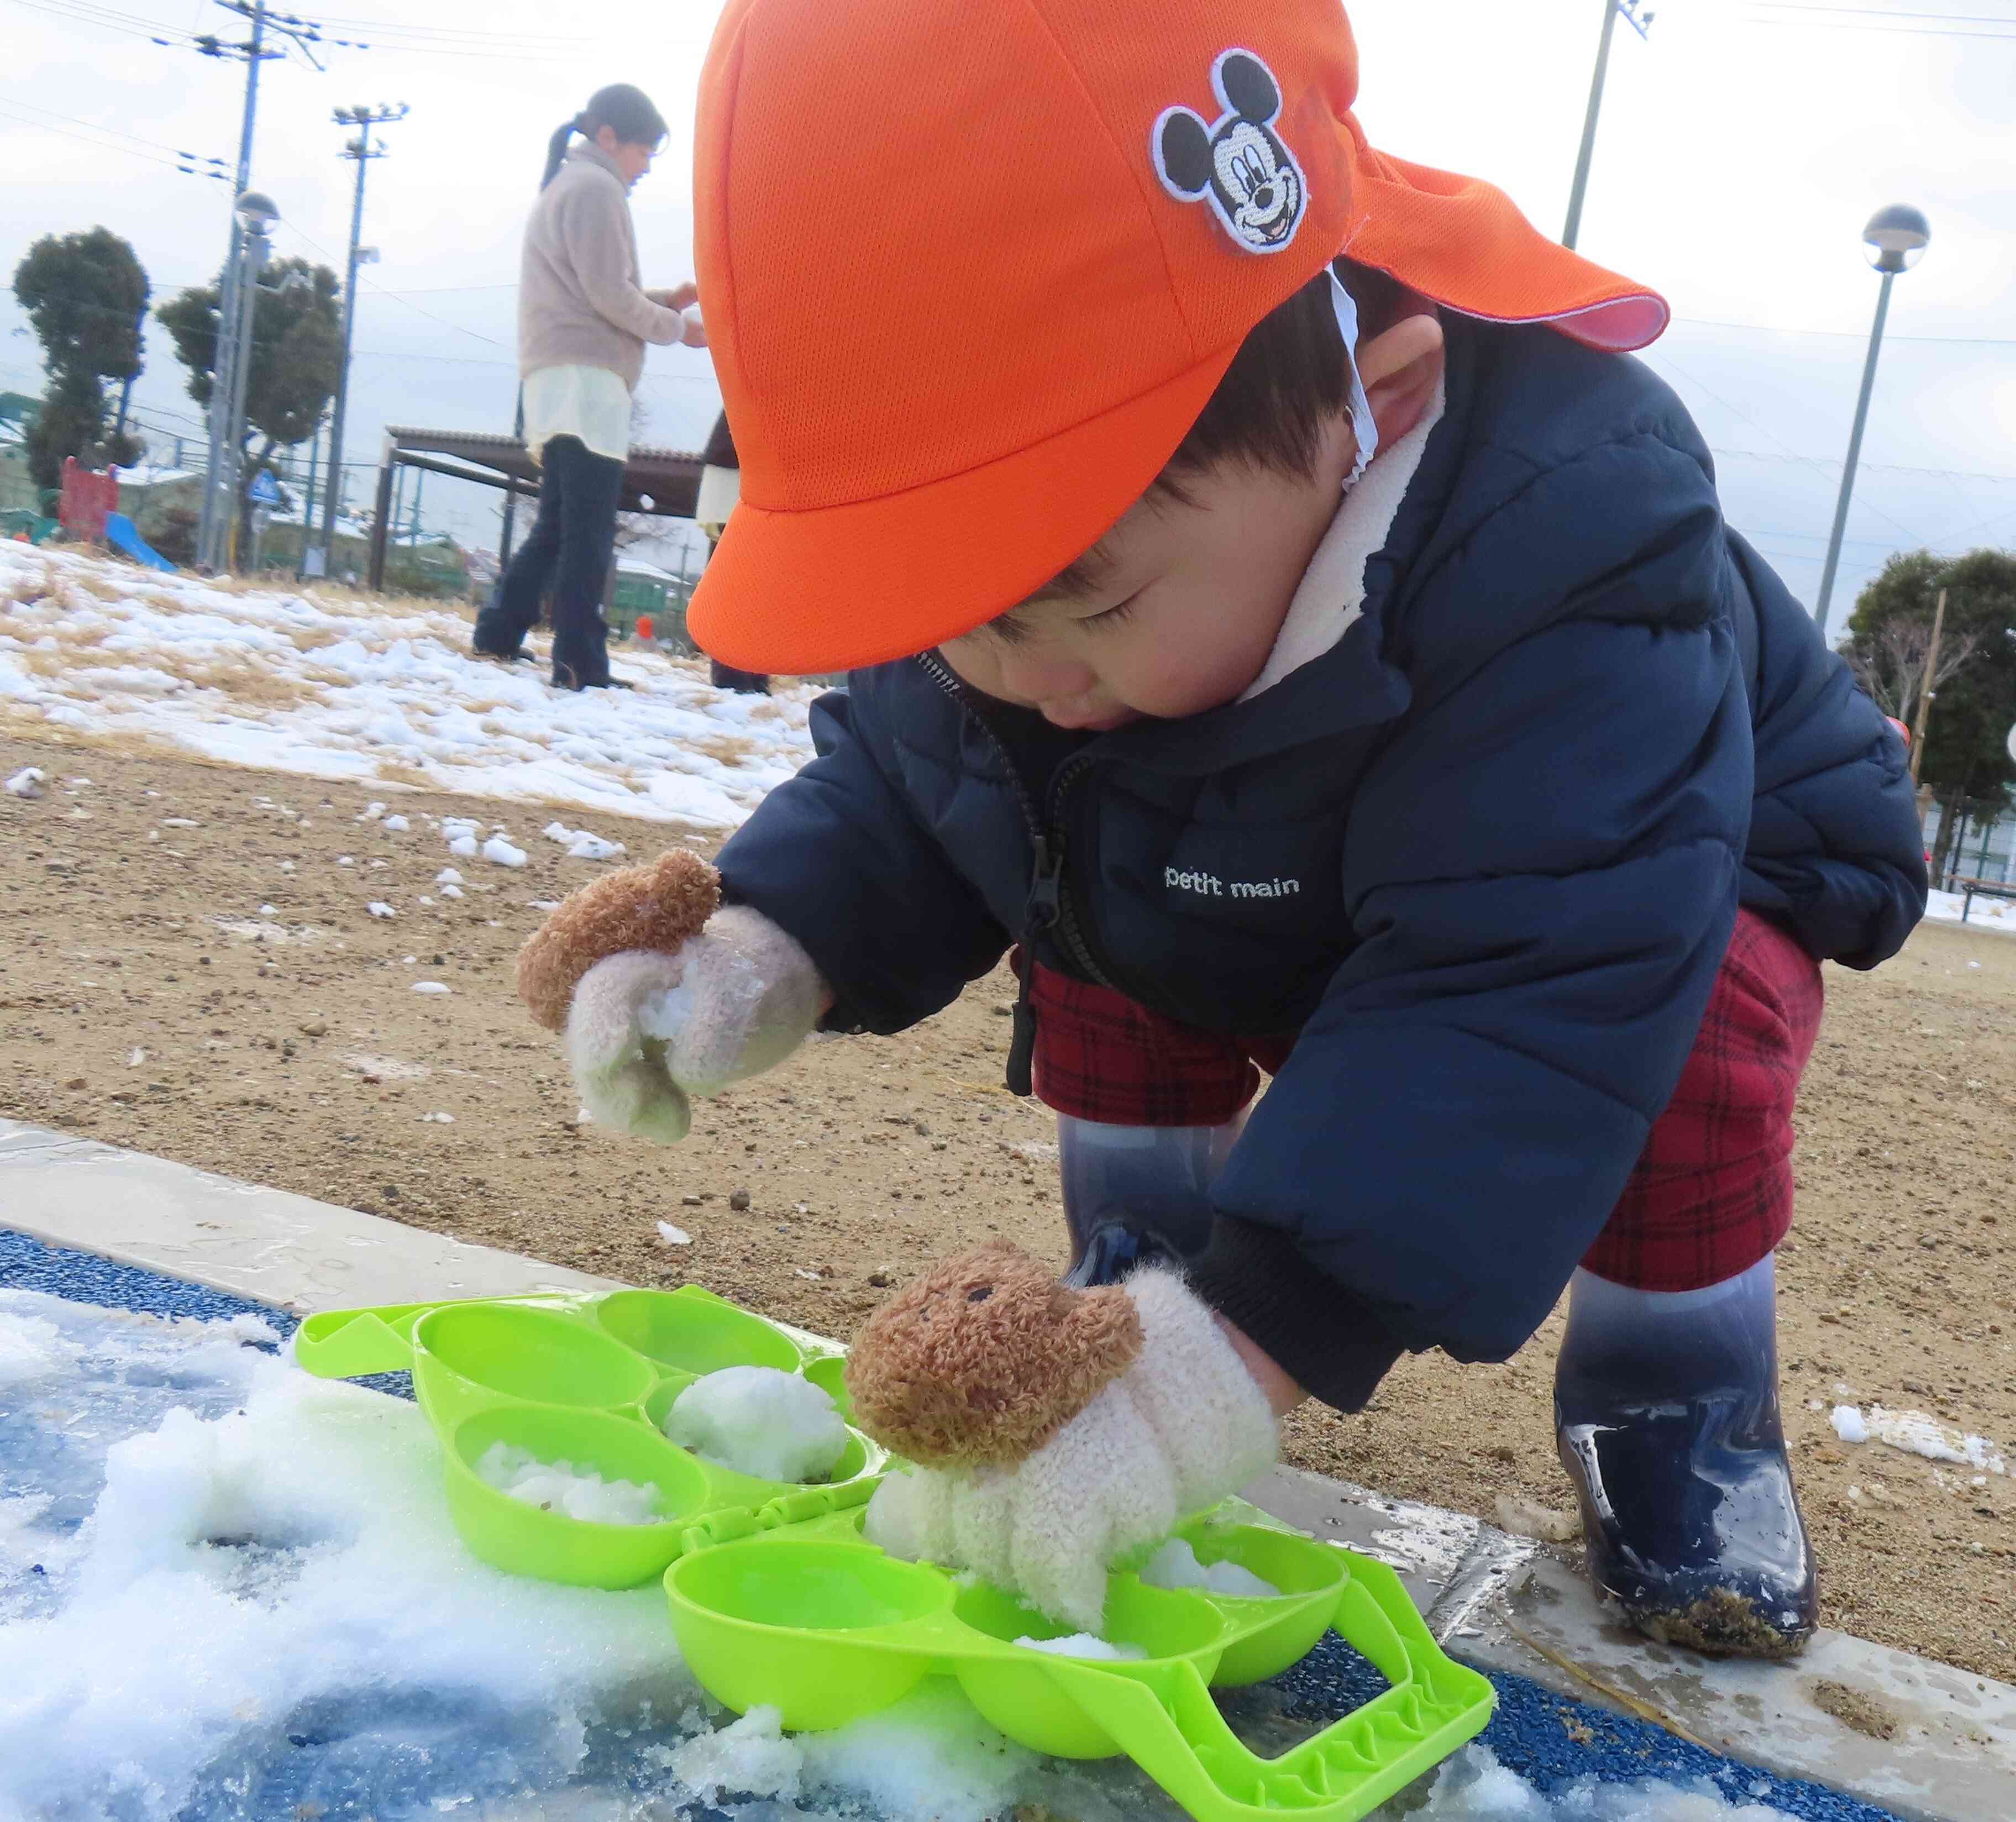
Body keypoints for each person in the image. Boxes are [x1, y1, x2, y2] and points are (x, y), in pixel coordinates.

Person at [552, 0, 1926, 1656]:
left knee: (1687, 1030)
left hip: (1667, 879)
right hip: (1299, 837)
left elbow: (1520, 989)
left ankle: (1673, 1398)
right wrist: (765, 939)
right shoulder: (1061, 631)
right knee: (1088, 861)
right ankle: (1142, 1275)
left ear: (1370, 409)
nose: (1024, 678)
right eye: (959, 617)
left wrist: (1256, 1343)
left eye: (1090, 607)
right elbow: (933, 770)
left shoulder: (1575, 545)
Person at [473, 83, 707, 690]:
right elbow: (608, 296)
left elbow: (594, 290)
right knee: (588, 529)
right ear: (609, 138)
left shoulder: (571, 184)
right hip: (587, 379)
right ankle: (580, 663)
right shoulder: (596, 189)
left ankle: (499, 631)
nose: (646, 165)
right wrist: (678, 328)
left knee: (559, 522)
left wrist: (665, 302)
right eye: (643, 151)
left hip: (559, 375)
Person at [695, 411, 770, 696]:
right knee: (734, 572)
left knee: (764, 574)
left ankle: (755, 668)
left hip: (759, 460)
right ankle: (730, 668)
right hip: (738, 461)